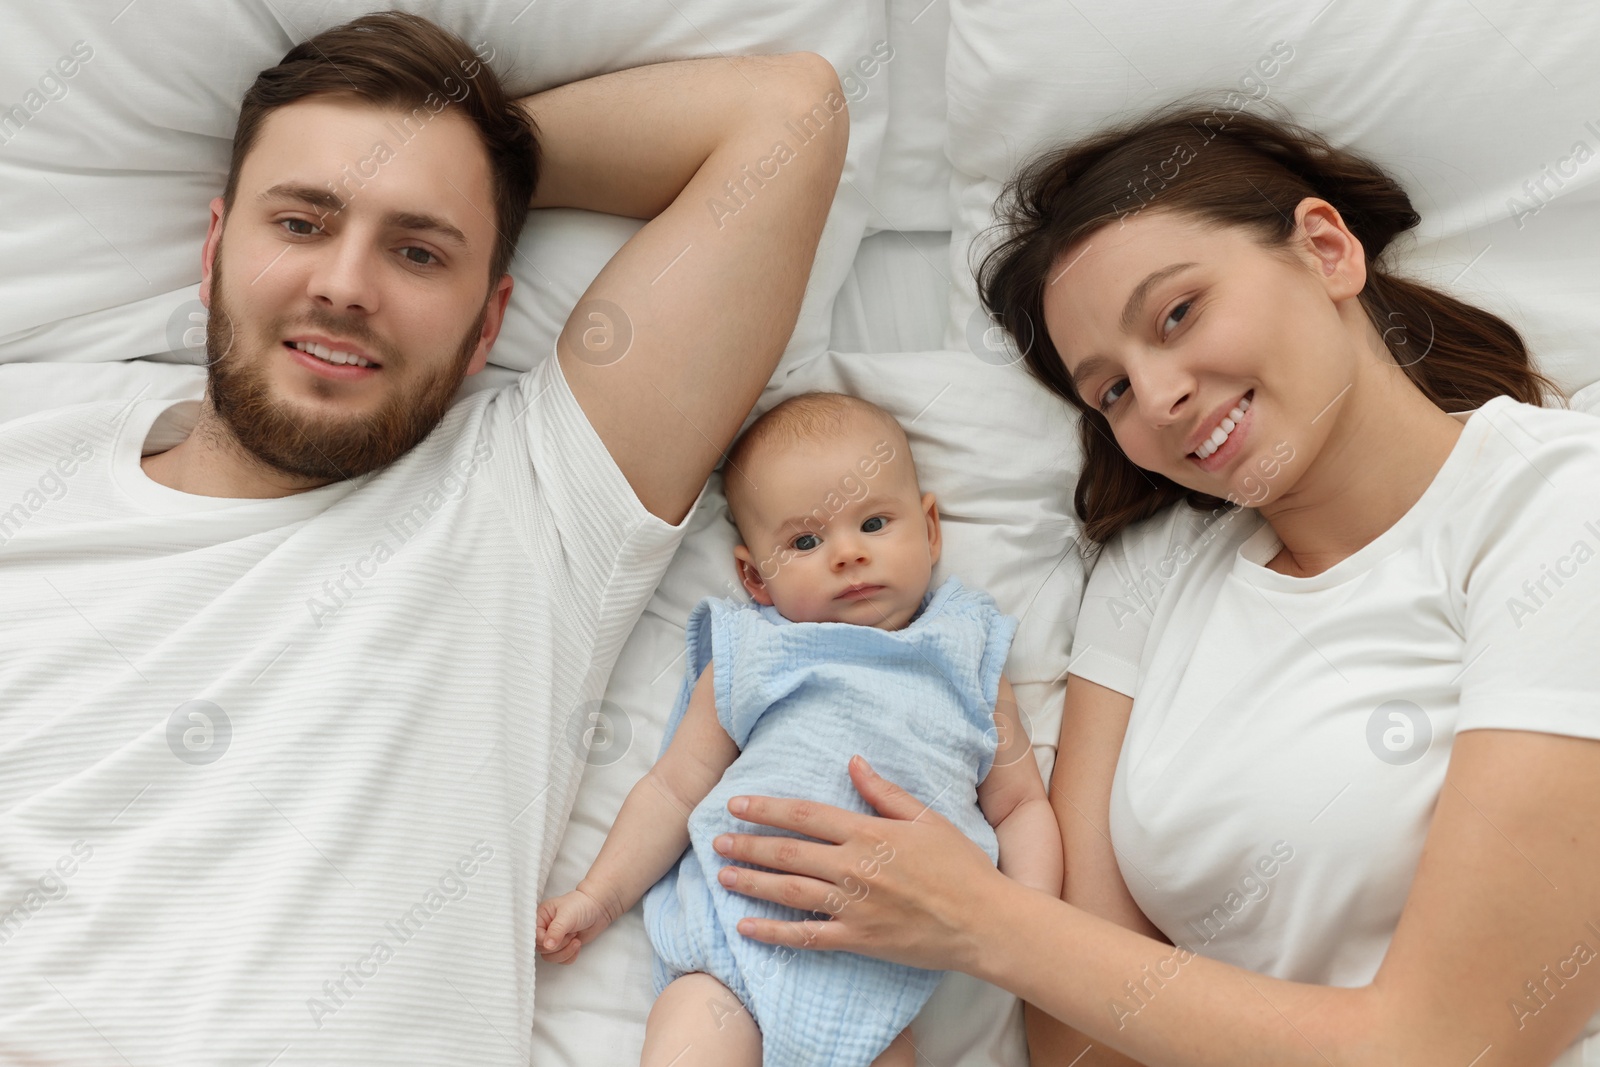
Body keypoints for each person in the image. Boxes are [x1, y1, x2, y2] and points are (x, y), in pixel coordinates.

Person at [0, 11, 847, 1064]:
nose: (345, 285)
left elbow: (786, 116)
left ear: (489, 322)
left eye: (416, 250)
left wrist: (475, 159)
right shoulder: (28, 453)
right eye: (302, 222)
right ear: (216, 246)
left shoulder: (533, 498)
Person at [695, 100, 1600, 1066]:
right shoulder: (1153, 570)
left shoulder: (1557, 505)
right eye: (1112, 390)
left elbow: (1451, 1045)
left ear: (1327, 249)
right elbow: (1073, 1037)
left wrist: (979, 918)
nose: (1161, 400)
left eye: (1178, 314)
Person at [533, 392, 1062, 1067]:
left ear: (930, 531)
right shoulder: (754, 654)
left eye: (874, 522)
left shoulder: (968, 654)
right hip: (732, 949)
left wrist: (1031, 925)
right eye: (806, 541)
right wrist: (597, 896)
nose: (847, 553)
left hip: (879, 971)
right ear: (754, 576)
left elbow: (1020, 803)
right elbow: (671, 790)